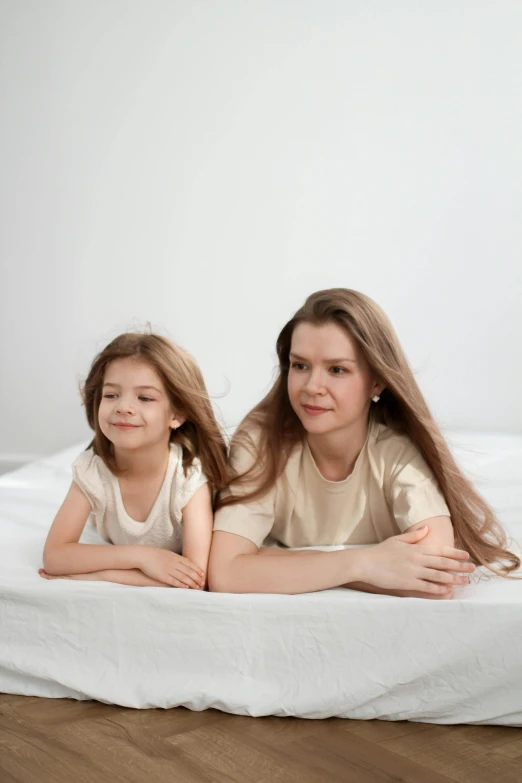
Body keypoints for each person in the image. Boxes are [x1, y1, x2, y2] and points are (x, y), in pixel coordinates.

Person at [209, 288, 519, 597]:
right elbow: (225, 573)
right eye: (300, 365)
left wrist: (269, 562)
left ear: (377, 380)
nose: (312, 386)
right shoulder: (260, 442)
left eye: (337, 369)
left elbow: (435, 582)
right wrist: (362, 564)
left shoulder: (397, 452)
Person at [40, 332, 228, 588]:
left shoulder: (188, 479)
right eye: (111, 395)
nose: (123, 407)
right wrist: (143, 557)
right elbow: (54, 557)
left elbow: (195, 579)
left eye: (145, 398)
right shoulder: (92, 470)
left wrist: (100, 574)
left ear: (177, 414)